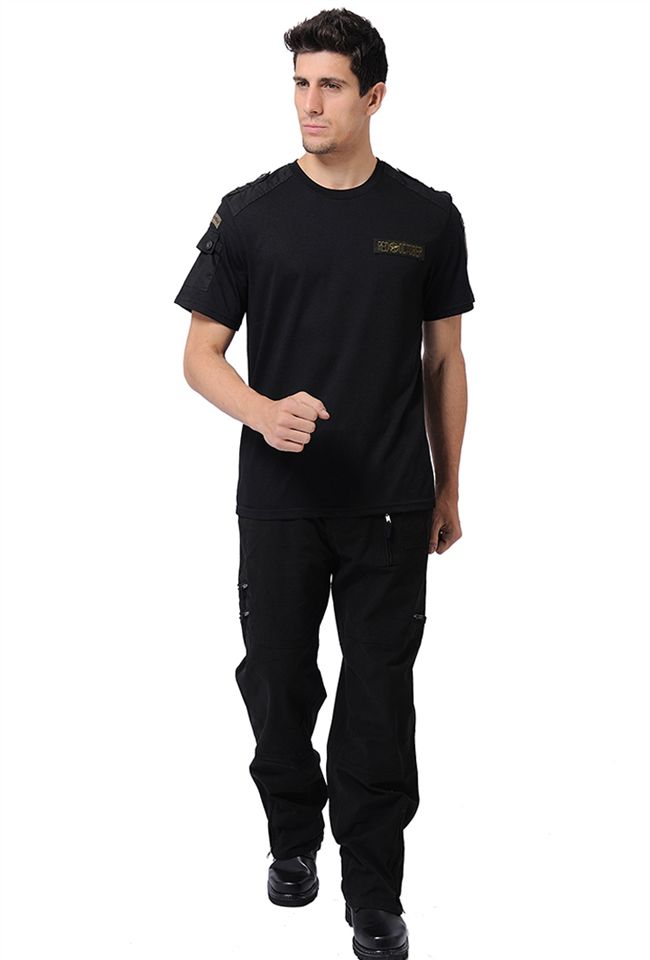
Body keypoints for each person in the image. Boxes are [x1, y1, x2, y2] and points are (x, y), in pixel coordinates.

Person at [173, 8, 475, 959]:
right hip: (280, 503)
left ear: (373, 96)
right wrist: (263, 411)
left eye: (330, 85)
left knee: (379, 701)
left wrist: (449, 488)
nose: (310, 102)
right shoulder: (250, 213)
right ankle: (292, 838)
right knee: (277, 684)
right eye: (300, 83)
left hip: (391, 501)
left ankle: (374, 894)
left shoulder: (427, 217)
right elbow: (199, 355)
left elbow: (444, 361)